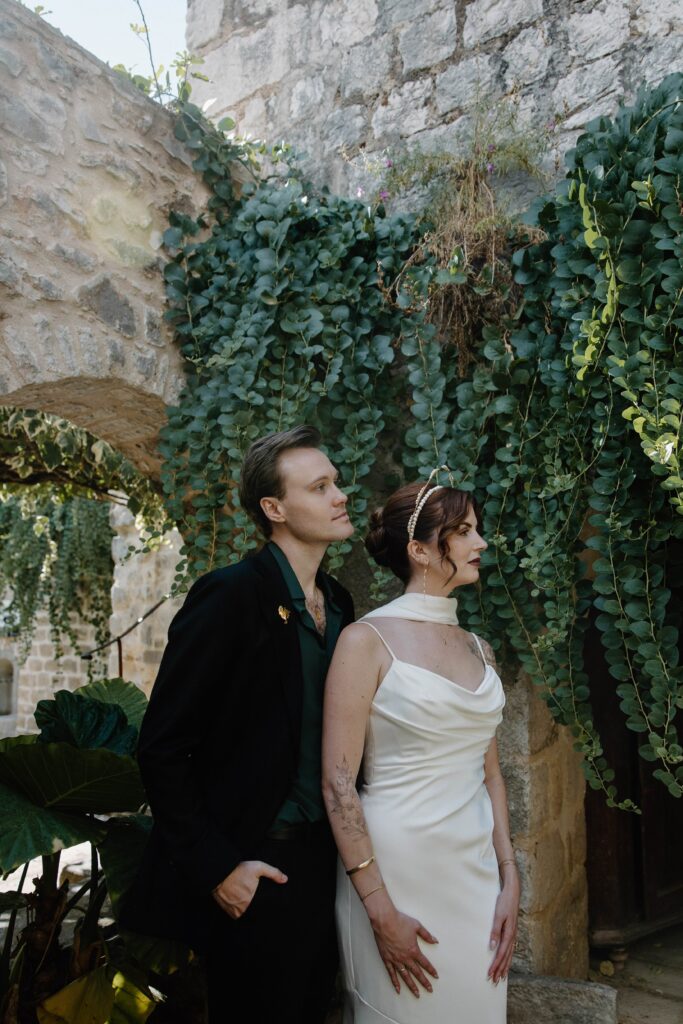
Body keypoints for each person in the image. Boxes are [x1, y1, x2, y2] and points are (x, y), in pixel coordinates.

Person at [129, 425, 355, 1024]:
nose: (342, 495)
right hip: (255, 866)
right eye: (322, 486)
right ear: (274, 509)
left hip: (326, 864)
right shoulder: (227, 596)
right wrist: (218, 868)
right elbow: (161, 746)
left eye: (337, 481)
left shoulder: (338, 603)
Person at [322, 468, 519, 1023]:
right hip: (396, 874)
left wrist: (511, 876)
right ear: (420, 550)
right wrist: (379, 911)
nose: (481, 543)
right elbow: (338, 785)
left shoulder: (479, 648)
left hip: (477, 876)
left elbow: (491, 774)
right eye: (465, 532)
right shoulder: (366, 641)